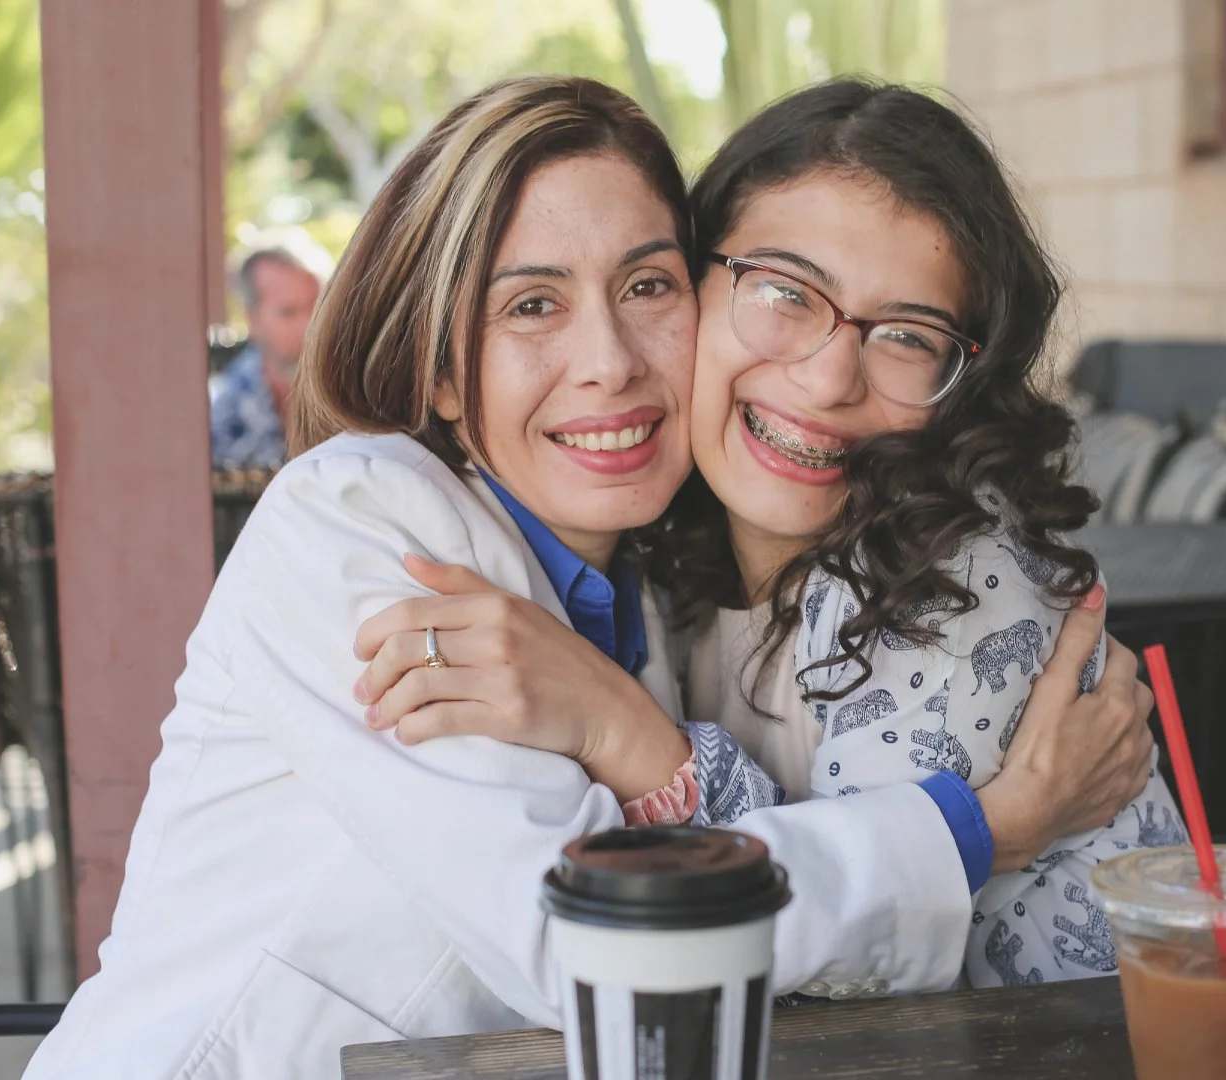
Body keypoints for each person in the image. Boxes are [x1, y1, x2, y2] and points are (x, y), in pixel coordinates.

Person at [23, 77, 1151, 1080]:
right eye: (531, 305)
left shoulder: (654, 599)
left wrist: (624, 720)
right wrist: (983, 828)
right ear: (443, 369)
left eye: (647, 286)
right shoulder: (363, 526)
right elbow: (584, 937)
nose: (607, 359)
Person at [353, 80, 1181, 990]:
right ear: (689, 291)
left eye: (907, 335)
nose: (828, 380)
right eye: (787, 292)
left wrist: (632, 738)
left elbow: (828, 965)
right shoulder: (661, 566)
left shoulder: (948, 585)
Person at [209, 247, 321, 467]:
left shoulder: (362, 395)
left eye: (317, 308)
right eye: (289, 312)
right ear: (253, 320)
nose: (308, 326)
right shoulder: (225, 413)